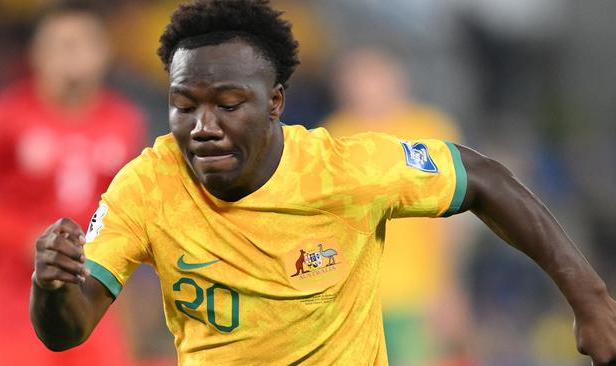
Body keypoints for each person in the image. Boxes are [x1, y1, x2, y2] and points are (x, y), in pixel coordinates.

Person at [30, 1, 616, 365]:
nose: (203, 127)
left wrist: (589, 299)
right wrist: (52, 289)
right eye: (184, 106)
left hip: (410, 308)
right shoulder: (145, 187)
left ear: (276, 101)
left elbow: (481, 176)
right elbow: (67, 331)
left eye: (230, 104)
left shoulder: (343, 170)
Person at [0, 1, 146, 365]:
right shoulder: (0, 116)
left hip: (91, 302)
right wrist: (21, 236)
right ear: (37, 54)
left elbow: (133, 206)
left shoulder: (125, 121)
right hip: (13, 307)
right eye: (62, 45)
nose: (73, 55)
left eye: (82, 43)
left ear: (104, 52)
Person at [322, 47, 472, 365]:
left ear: (395, 78)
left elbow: (448, 221)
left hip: (415, 294)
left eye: (372, 75)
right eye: (354, 77)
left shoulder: (429, 131)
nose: (363, 86)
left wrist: (448, 287)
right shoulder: (334, 136)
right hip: (353, 298)